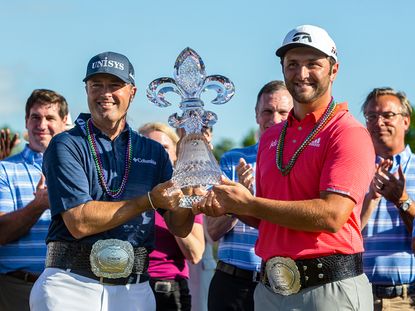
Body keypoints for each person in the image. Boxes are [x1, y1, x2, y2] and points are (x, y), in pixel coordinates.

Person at [195, 24, 375, 310]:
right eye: (292, 64)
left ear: (334, 69)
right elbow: (268, 218)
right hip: (270, 290)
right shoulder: (271, 138)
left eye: (312, 64)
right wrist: (232, 205)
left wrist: (249, 204)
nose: (301, 74)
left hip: (328, 289)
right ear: (282, 69)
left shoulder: (347, 132)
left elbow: (332, 215)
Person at [29, 51, 195, 311]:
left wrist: (189, 192)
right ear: (86, 89)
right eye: (96, 85)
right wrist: (148, 200)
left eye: (114, 85)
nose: (105, 93)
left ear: (132, 92)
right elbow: (79, 222)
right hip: (72, 284)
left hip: (135, 288)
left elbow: (180, 226)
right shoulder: (66, 144)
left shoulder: (152, 151)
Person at [205, 80, 293, 311]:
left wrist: (245, 201)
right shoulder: (233, 160)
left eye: (283, 112)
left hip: (282, 284)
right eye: (267, 111)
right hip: (233, 284)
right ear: (256, 115)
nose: (275, 119)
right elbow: (212, 230)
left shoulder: (301, 163)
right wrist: (238, 202)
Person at [0, 89, 69, 311]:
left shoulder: (81, 169)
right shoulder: (4, 170)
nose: (41, 124)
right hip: (18, 288)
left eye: (50, 118)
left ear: (64, 121)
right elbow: (1, 233)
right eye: (35, 117)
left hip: (71, 287)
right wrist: (37, 205)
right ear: (26, 122)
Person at [139, 122, 205, 311]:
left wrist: (171, 211)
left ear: (176, 156)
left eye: (165, 148)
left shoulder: (187, 195)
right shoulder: (125, 192)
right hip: (126, 286)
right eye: (150, 146)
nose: (158, 153)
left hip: (167, 289)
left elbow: (195, 254)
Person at [360, 87, 415, 310]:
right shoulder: (353, 170)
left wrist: (402, 201)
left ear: (406, 121)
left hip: (405, 298)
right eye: (371, 116)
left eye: (388, 115)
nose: (379, 122)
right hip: (357, 295)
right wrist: (369, 200)